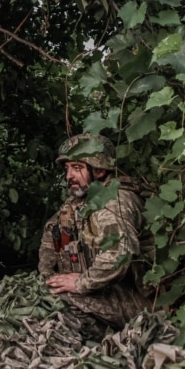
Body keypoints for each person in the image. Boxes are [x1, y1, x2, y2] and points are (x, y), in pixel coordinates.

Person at [38, 133, 152, 329]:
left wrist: (80, 283)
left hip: (136, 300)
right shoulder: (81, 201)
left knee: (62, 300)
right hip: (104, 290)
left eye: (77, 168)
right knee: (44, 294)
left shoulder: (114, 201)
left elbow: (119, 255)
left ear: (99, 171)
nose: (69, 176)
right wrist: (48, 278)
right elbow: (50, 239)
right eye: (67, 169)